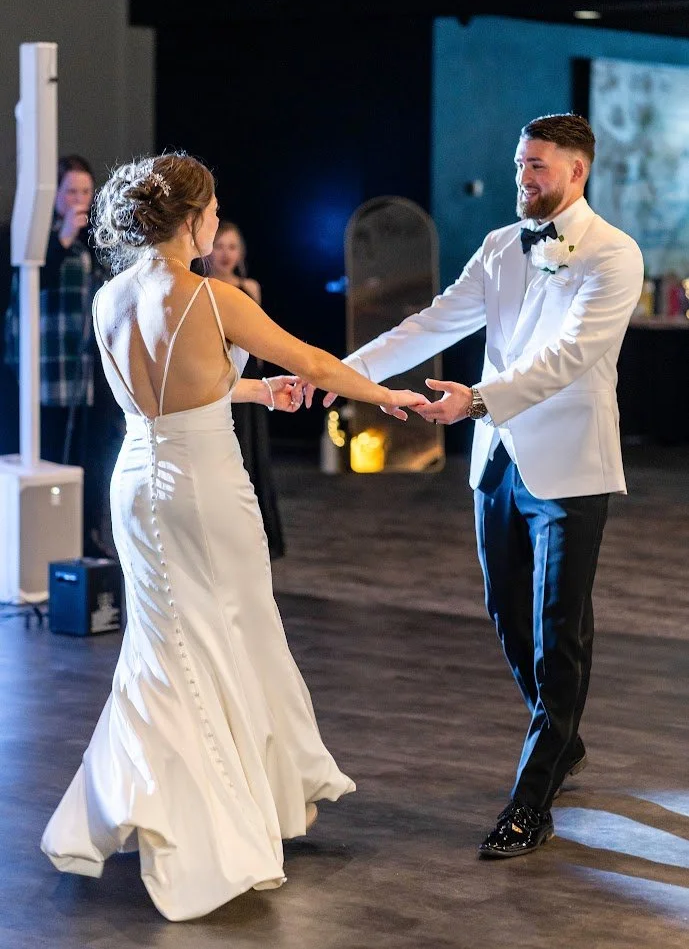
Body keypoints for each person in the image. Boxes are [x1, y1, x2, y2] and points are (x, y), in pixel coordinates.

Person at [39, 152, 428, 921]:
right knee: (223, 639)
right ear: (191, 219)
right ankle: (214, 820)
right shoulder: (212, 298)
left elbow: (165, 388)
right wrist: (385, 395)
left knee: (163, 645)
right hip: (204, 489)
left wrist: (253, 388)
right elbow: (313, 358)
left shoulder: (110, 294)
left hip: (135, 481)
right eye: (212, 211)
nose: (217, 223)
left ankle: (159, 798)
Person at [308, 114, 644, 858]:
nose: (522, 179)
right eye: (519, 165)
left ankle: (531, 801)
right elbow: (432, 322)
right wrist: (344, 372)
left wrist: (479, 399)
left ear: (575, 172)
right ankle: (562, 739)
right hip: (496, 464)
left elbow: (568, 358)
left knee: (560, 629)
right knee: (506, 612)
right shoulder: (499, 246)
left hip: (568, 467)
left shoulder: (613, 255)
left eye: (537, 168)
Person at [3, 154, 116, 557]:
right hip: (45, 369)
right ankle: (44, 543)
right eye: (71, 191)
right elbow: (31, 285)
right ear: (54, 196)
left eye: (86, 192)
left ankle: (88, 534)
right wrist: (65, 234)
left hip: (88, 370)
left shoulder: (96, 239)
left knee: (93, 456)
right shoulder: (33, 238)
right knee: (48, 450)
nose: (79, 200)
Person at [206, 220, 286, 559]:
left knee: (252, 454)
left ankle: (258, 538)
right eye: (220, 245)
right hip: (218, 378)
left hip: (250, 376)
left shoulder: (249, 288)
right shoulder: (201, 287)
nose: (225, 254)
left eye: (232, 247)